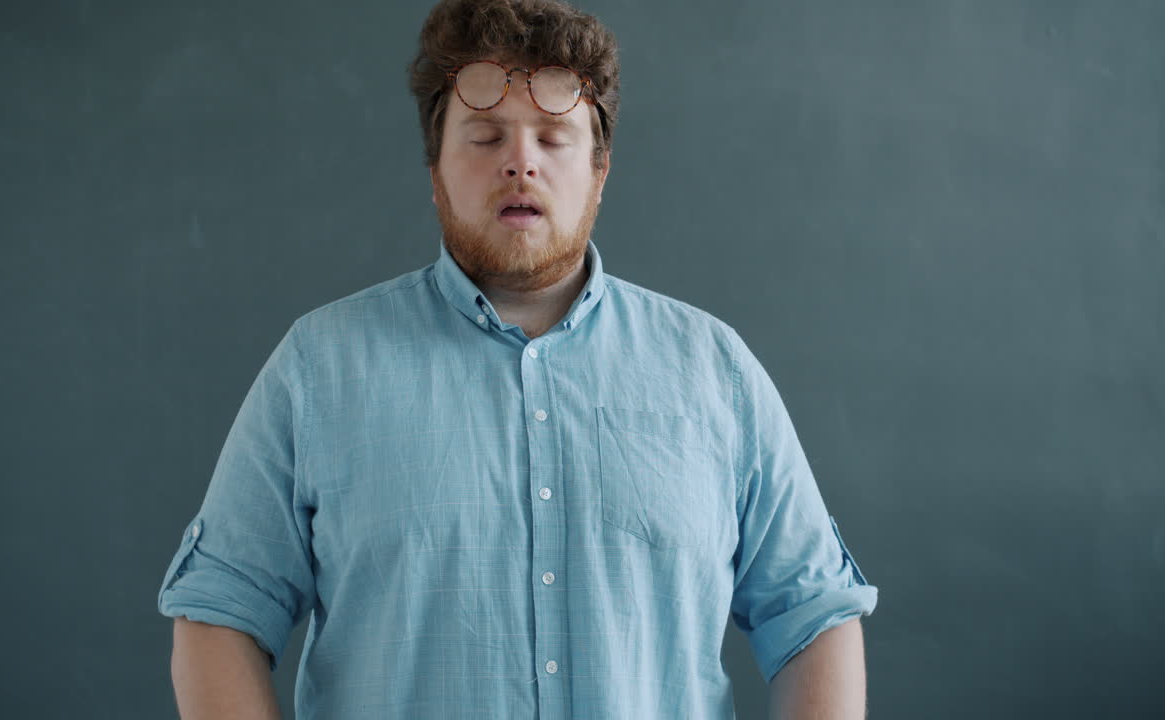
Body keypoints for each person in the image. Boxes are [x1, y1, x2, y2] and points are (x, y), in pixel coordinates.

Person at [157, 0, 879, 717]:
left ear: (599, 171)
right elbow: (219, 613)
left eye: (554, 137)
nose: (520, 162)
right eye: (485, 135)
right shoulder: (318, 371)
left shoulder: (714, 372)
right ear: (435, 170)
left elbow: (815, 617)